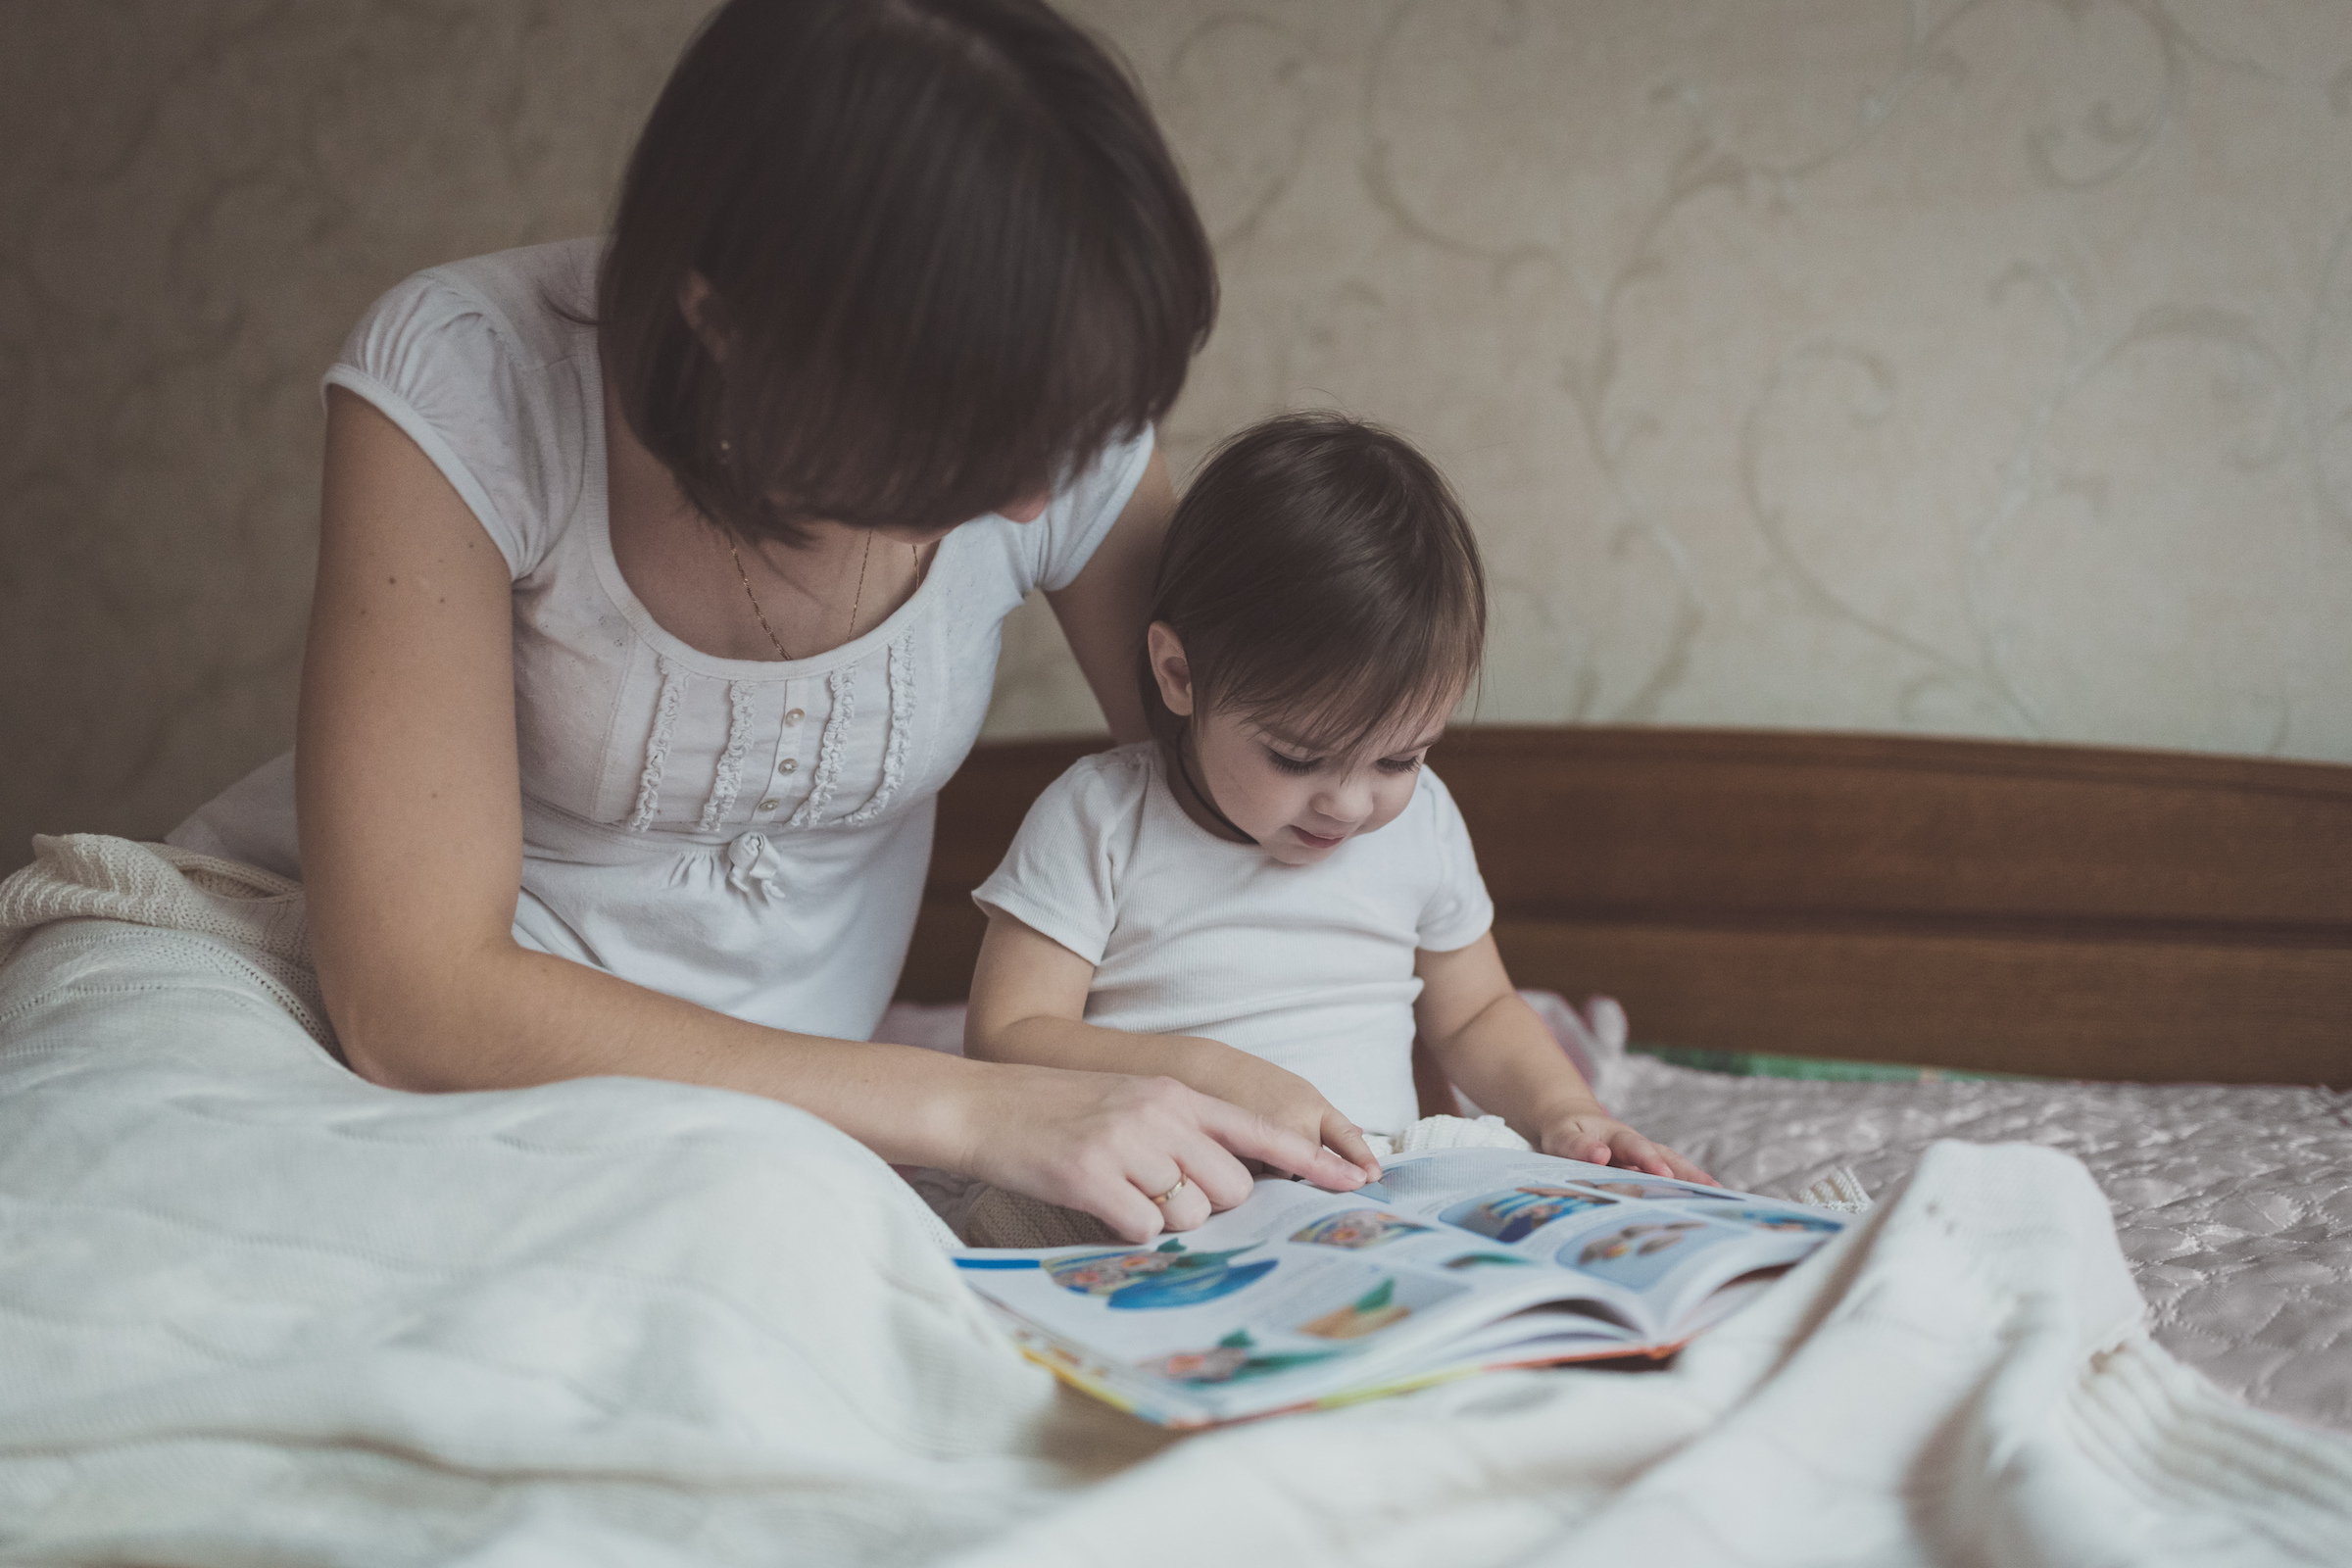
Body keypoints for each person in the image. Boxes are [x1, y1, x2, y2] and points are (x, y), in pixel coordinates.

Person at [164, 0, 1372, 1244]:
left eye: (1065, 436)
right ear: (726, 324)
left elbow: (1230, 819)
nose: (1034, 499)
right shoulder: (468, 384)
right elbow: (414, 1008)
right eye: (972, 444)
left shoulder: (1052, 422)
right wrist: (971, 1105)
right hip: (343, 1005)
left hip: (789, 1123)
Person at [963, 413, 1711, 1187]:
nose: (1350, 806)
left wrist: (1566, 1110)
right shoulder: (1101, 818)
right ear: (1180, 675)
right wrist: (1208, 1074)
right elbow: (1008, 1035)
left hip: (1364, 1193)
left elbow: (1477, 1012)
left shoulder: (1422, 824)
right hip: (1154, 1182)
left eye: (1400, 757)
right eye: (1297, 757)